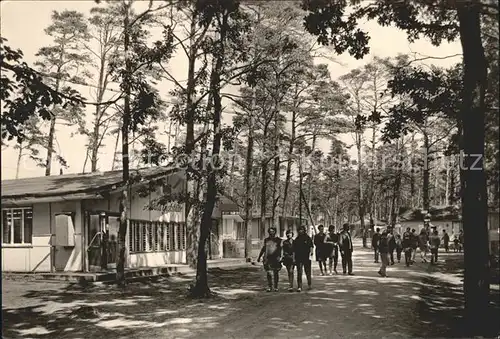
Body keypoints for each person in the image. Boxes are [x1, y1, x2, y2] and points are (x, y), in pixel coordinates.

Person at [257, 227, 282, 292]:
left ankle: (276, 286)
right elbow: (263, 249)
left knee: (276, 273)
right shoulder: (266, 240)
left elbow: (281, 249)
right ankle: (270, 286)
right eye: (270, 231)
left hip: (276, 259)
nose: (271, 232)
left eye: (272, 231)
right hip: (268, 259)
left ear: (275, 232)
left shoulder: (279, 240)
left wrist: (280, 257)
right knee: (269, 273)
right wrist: (259, 257)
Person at [293, 225, 314, 292]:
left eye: (302, 230)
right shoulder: (296, 239)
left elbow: (311, 246)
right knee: (299, 272)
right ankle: (299, 286)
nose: (300, 231)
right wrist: (294, 258)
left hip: (306, 258)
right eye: (299, 230)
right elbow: (294, 250)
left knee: (308, 272)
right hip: (298, 258)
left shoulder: (308, 238)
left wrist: (311, 254)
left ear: (304, 230)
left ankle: (309, 284)